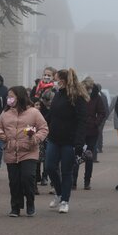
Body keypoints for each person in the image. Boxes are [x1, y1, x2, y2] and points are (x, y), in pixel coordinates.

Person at [0, 87, 48, 217]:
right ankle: (15, 207)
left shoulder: (33, 112)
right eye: (8, 96)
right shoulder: (5, 113)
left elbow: (44, 128)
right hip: (11, 151)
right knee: (14, 181)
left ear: (19, 97)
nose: (9, 99)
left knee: (27, 178)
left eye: (11, 96)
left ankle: (30, 203)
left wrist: (36, 138)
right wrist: (0, 134)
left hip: (29, 151)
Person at [45, 68, 88, 214]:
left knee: (66, 171)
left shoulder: (77, 98)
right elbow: (51, 115)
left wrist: (79, 143)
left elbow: (83, 121)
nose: (55, 82)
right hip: (54, 138)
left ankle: (65, 200)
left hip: (70, 141)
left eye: (57, 79)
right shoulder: (57, 95)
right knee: (50, 167)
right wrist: (41, 126)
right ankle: (58, 193)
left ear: (64, 80)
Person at [72, 77, 105, 190]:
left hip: (91, 131)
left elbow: (102, 112)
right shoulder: (78, 97)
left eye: (89, 88)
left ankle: (87, 181)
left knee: (89, 156)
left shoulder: (97, 98)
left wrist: (95, 123)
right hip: (78, 130)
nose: (88, 90)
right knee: (76, 155)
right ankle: (73, 181)